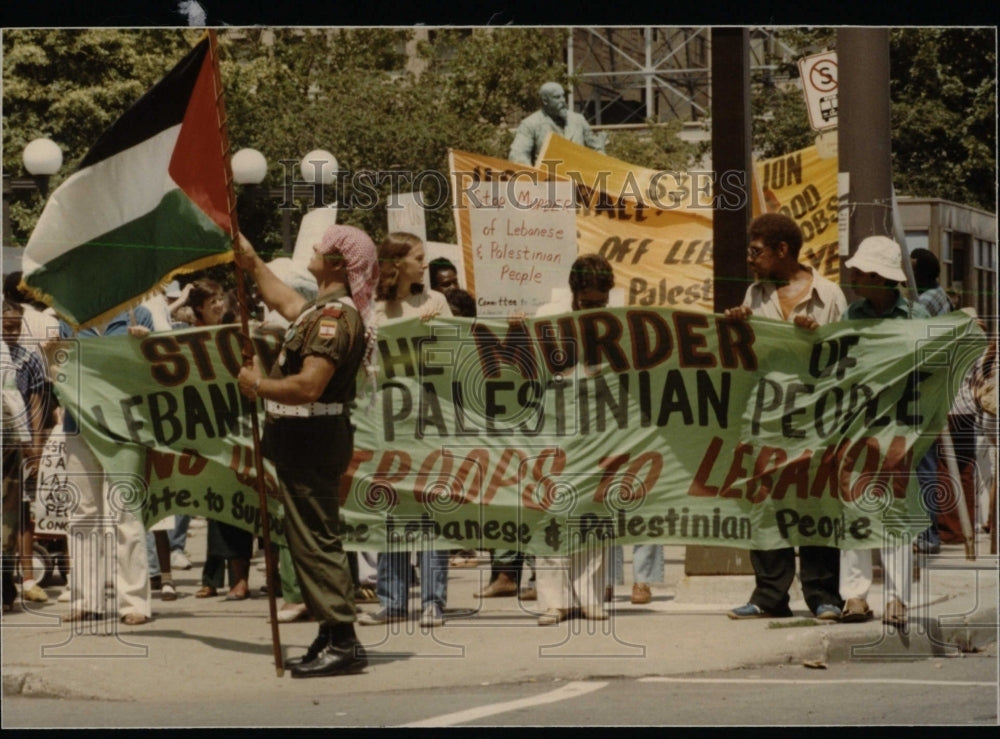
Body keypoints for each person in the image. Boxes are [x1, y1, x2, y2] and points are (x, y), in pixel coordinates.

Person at [235, 223, 378, 678]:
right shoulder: (321, 309)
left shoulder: (335, 318)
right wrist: (253, 262)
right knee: (307, 539)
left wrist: (258, 385)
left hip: (313, 439)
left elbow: (310, 385)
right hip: (304, 440)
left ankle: (344, 639)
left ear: (337, 263)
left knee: (316, 541)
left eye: (320, 247)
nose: (312, 250)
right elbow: (285, 301)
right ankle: (330, 630)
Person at [727, 213, 847, 622]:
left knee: (816, 502)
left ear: (783, 250)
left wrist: (816, 337)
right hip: (765, 416)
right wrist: (738, 330)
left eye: (757, 251)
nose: (750, 258)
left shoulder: (829, 295)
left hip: (816, 417)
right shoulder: (754, 293)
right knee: (765, 504)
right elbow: (746, 359)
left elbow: (846, 355)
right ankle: (769, 594)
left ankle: (823, 595)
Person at [359, 232, 452, 628]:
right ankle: (393, 599)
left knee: (430, 510)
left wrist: (439, 331)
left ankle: (433, 600)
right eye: (418, 257)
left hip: (429, 421)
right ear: (397, 265)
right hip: (385, 422)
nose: (425, 264)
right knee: (393, 511)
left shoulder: (435, 303)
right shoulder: (371, 311)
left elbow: (454, 362)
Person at [838, 235, 931, 627]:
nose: (854, 276)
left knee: (895, 508)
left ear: (879, 276)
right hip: (857, 423)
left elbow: (931, 368)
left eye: (860, 271)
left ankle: (896, 598)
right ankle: (855, 596)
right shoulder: (851, 316)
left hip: (900, 426)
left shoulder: (916, 319)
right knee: (854, 505)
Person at [56, 307, 156, 626]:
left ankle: (134, 602)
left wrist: (147, 346)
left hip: (125, 427)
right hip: (79, 426)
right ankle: (87, 599)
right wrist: (52, 352)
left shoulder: (139, 317)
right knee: (82, 513)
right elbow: (57, 378)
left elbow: (157, 372)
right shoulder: (67, 322)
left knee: (126, 511)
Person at [534, 253, 615, 626]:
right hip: (554, 426)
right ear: (574, 292)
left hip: (600, 425)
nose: (595, 308)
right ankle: (554, 600)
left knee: (595, 513)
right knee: (552, 511)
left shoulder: (618, 322)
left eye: (602, 302)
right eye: (589, 302)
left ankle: (590, 596)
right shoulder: (546, 316)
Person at [186, 278, 255, 602]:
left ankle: (240, 578)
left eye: (219, 300)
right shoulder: (185, 336)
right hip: (206, 426)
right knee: (211, 501)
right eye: (210, 301)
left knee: (239, 499)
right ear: (199, 307)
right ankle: (211, 576)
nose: (217, 305)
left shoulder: (237, 330)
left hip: (238, 424)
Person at [2, 299, 54, 605]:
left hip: (16, 443)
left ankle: (24, 579)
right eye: (5, 327)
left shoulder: (28, 359)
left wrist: (35, 444)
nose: (10, 332)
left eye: (15, 327)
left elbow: (35, 404)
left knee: (17, 514)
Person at [910, 248, 955, 554]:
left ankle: (928, 533)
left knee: (923, 463)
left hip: (923, 389)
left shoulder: (926, 301)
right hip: (934, 387)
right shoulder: (941, 296)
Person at [508, 81, 606, 167]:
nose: (563, 100)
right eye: (557, 97)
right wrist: (535, 179)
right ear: (545, 101)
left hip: (579, 181)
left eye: (563, 96)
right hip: (548, 183)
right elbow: (518, 156)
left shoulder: (578, 120)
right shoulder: (530, 124)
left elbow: (597, 149)